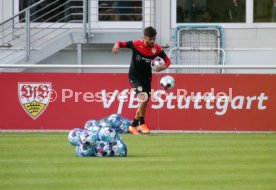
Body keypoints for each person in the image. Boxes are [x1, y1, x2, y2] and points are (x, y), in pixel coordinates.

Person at [112, 26, 171, 135]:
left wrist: (163, 68)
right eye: (150, 39)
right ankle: (142, 123)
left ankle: (133, 126)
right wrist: (117, 44)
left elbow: (167, 60)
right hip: (134, 77)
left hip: (147, 78)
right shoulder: (135, 44)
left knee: (143, 103)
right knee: (143, 98)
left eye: (154, 38)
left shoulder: (156, 49)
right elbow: (121, 43)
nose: (152, 41)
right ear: (145, 37)